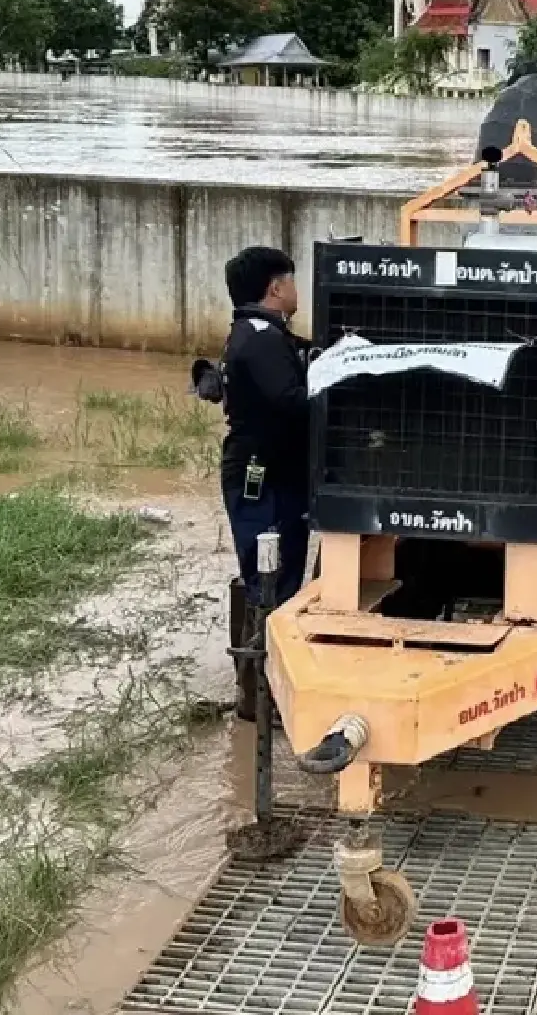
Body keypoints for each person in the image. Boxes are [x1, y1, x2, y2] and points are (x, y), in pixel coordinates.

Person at [218, 246, 313, 721]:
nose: (297, 290)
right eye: (292, 281)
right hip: (263, 476)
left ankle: (265, 690)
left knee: (282, 575)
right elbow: (292, 400)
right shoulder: (260, 339)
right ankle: (259, 696)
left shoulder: (264, 335)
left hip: (276, 473)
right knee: (268, 577)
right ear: (276, 288)